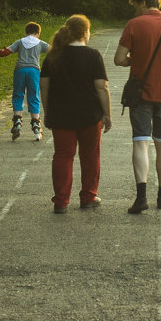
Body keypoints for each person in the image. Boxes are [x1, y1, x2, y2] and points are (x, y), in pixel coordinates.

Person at [114, 0, 161, 214]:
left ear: (143, 3)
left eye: (136, 7)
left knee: (140, 142)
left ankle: (141, 197)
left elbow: (119, 59)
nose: (135, 12)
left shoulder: (134, 25)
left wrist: (136, 59)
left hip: (141, 93)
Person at [40, 15, 111, 214]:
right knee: (90, 156)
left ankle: (61, 201)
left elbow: (44, 86)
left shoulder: (53, 56)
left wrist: (48, 111)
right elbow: (102, 87)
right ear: (85, 32)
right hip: (89, 115)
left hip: (61, 116)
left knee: (63, 156)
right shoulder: (93, 55)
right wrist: (107, 114)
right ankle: (88, 197)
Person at [0, 22, 49, 141]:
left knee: (18, 95)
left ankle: (17, 122)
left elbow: (6, 51)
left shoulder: (20, 42)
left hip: (20, 70)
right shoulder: (40, 43)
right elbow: (54, 50)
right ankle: (36, 126)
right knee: (33, 96)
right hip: (34, 71)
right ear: (38, 34)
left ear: (26, 32)